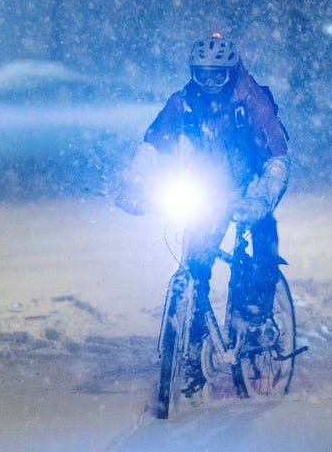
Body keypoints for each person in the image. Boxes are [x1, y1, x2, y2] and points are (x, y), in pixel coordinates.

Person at [116, 33, 291, 397]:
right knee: (196, 271)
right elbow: (153, 143)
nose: (209, 84)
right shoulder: (184, 103)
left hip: (251, 186)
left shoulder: (251, 98)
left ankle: (258, 325)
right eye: (201, 74)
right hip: (209, 192)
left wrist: (262, 197)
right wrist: (134, 182)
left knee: (261, 251)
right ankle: (193, 355)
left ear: (231, 72)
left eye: (218, 75)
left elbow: (277, 156)